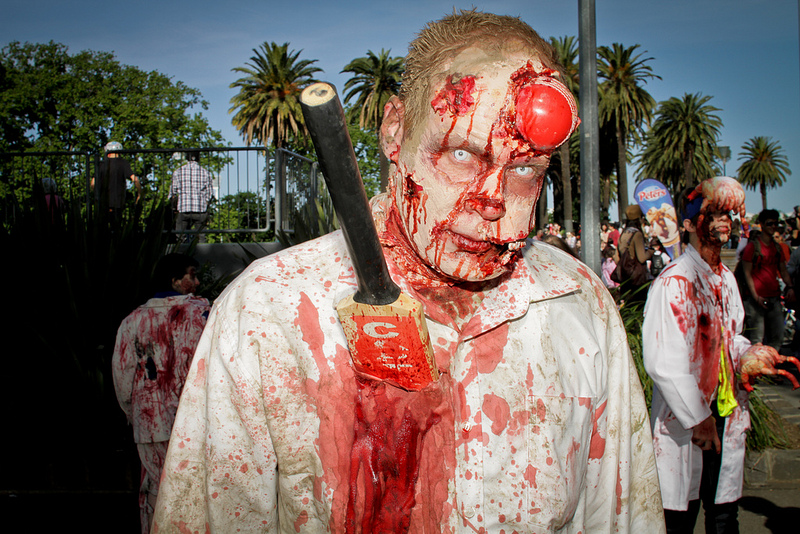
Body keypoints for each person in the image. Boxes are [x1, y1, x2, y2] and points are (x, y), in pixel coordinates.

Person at [153, 10, 664, 533]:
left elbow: (622, 516)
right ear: (395, 131)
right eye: (462, 153)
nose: (491, 202)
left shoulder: (578, 304)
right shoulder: (269, 311)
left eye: (525, 170)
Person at [643, 177, 800, 534]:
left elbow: (732, 337)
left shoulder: (726, 279)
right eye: (712, 213)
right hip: (689, 422)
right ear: (688, 224)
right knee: (681, 519)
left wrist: (749, 354)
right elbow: (662, 362)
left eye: (728, 213)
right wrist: (698, 418)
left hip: (726, 414)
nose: (723, 220)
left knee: (725, 516)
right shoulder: (674, 281)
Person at [112, 253, 210, 534]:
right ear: (175, 280)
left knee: (156, 490)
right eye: (192, 274)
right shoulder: (203, 314)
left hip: (150, 424)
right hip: (196, 421)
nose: (197, 281)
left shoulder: (132, 321)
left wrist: (136, 416)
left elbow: (123, 378)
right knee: (196, 490)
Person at [741, 209, 795, 350]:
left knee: (777, 337)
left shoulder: (776, 247)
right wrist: (755, 296)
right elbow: (747, 274)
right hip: (756, 300)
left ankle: (772, 368)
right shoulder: (752, 247)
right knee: (757, 339)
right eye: (770, 223)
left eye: (775, 224)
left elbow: (783, 270)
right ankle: (757, 370)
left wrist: (790, 287)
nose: (773, 227)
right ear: (762, 225)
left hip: (774, 297)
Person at [169, 150, 214, 243]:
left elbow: (172, 192)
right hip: (200, 208)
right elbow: (209, 194)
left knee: (180, 237)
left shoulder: (178, 172)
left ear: (186, 158)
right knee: (201, 237)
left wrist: (174, 205)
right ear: (198, 158)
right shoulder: (206, 173)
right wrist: (205, 202)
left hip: (183, 207)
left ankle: (182, 253)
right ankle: (201, 256)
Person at [92, 141, 141, 223]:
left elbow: (93, 183)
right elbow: (135, 179)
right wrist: (139, 193)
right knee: (116, 225)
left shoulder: (101, 164)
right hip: (118, 201)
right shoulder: (123, 163)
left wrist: (97, 195)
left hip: (103, 201)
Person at [615, 204, 654, 304]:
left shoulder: (624, 234)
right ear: (639, 218)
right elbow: (641, 258)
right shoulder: (637, 235)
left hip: (625, 280)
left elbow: (616, 258)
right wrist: (650, 251)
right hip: (636, 281)